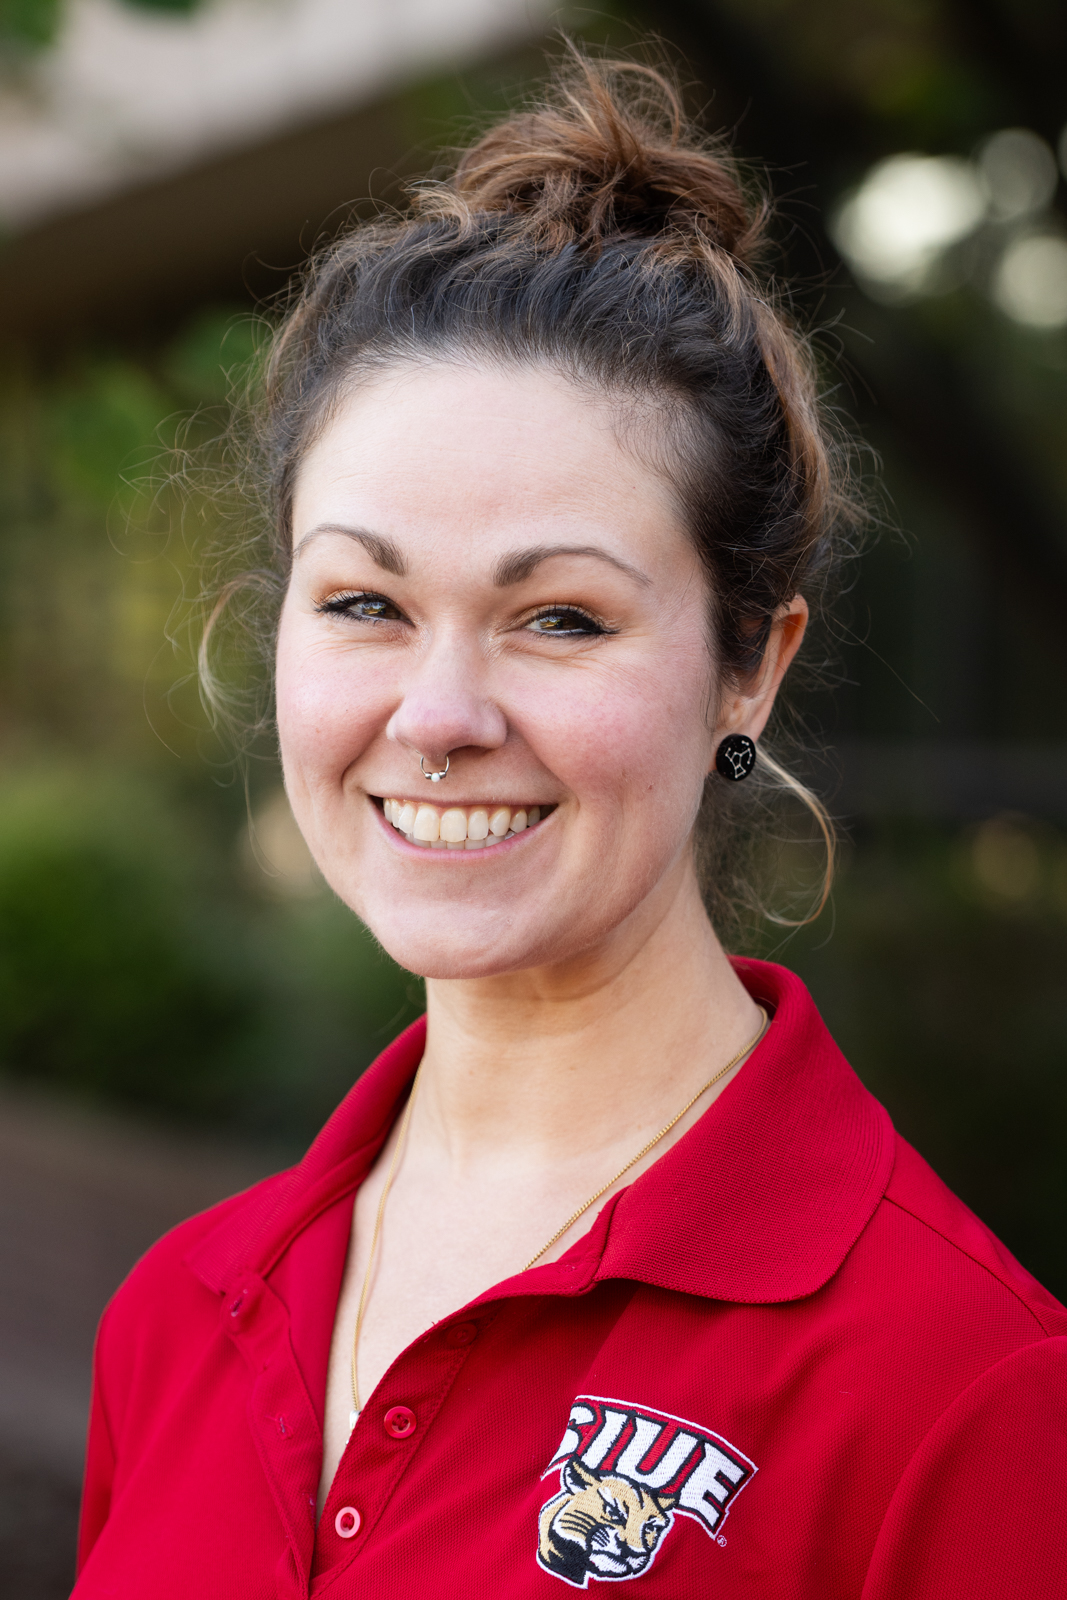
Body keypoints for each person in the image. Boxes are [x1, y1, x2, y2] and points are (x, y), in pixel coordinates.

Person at [73, 55, 1066, 1599]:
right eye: (364, 603)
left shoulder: (968, 1395)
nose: (442, 712)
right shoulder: (179, 1313)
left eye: (558, 617)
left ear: (754, 665)